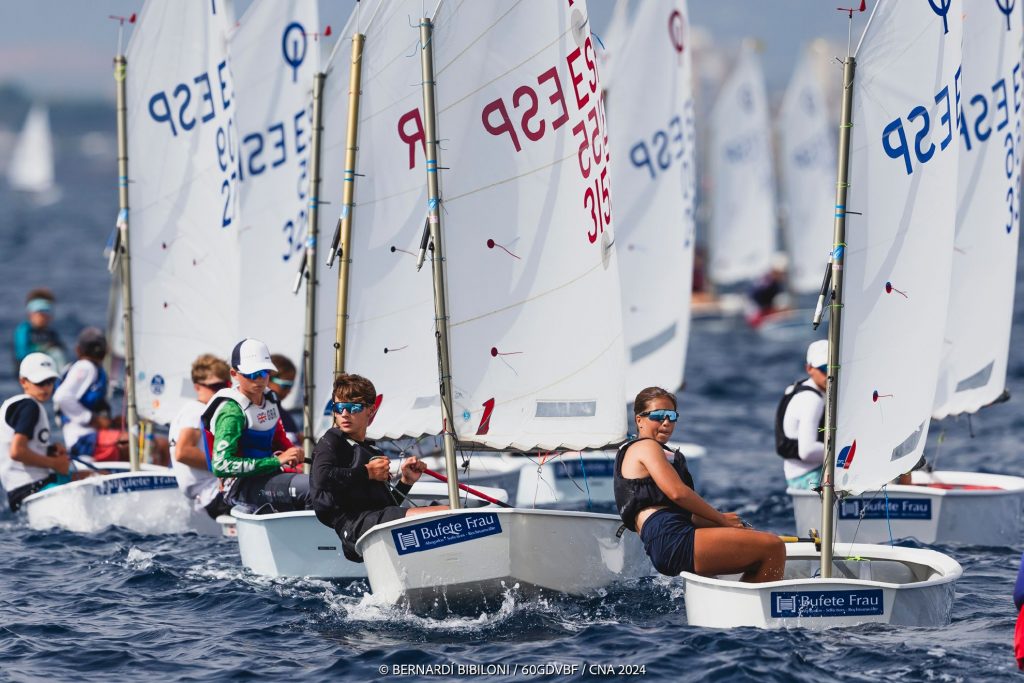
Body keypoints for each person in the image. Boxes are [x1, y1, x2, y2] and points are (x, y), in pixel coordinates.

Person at [615, 386, 785, 582]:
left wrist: (722, 524)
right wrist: (721, 519)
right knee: (773, 547)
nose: (666, 422)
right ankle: (758, 611)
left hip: (666, 539)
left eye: (671, 415)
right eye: (658, 415)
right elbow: (678, 493)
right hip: (670, 536)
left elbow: (675, 510)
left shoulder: (646, 452)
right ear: (639, 420)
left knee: (753, 549)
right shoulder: (646, 446)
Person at [310, 373, 447, 562]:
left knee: (447, 511)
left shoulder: (370, 449)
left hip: (375, 522)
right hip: (355, 527)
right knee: (445, 513)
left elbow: (386, 506)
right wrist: (367, 472)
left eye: (353, 408)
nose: (344, 414)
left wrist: (406, 482)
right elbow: (321, 478)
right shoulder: (330, 442)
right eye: (339, 407)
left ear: (370, 411)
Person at [203, 338, 308, 512]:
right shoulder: (232, 412)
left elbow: (279, 441)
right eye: (251, 374)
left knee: (324, 485)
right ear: (234, 374)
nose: (259, 380)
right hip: (240, 485)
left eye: (264, 373)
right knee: (311, 489)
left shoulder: (270, 399)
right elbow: (221, 465)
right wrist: (275, 461)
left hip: (269, 477)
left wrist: (294, 453)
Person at [0, 353, 71, 511]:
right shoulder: (29, 407)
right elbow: (17, 452)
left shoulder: (19, 405)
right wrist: (55, 463)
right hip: (32, 489)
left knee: (82, 473)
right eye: (40, 382)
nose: (46, 388)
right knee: (94, 475)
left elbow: (20, 445)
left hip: (19, 492)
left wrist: (49, 450)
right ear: (23, 382)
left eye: (50, 381)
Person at [169, 354, 232, 519]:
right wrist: (229, 466)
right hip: (214, 496)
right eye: (216, 387)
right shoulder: (197, 411)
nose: (222, 392)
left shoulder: (189, 411)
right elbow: (183, 452)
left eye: (226, 386)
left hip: (208, 498)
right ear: (197, 387)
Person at [53, 327, 123, 461]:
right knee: (145, 444)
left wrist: (110, 422)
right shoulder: (85, 367)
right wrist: (93, 419)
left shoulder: (91, 368)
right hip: (83, 441)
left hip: (92, 438)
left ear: (78, 349)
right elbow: (61, 397)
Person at [775, 339, 827, 491]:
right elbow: (807, 451)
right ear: (809, 368)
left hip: (795, 477)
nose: (830, 374)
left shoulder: (797, 388)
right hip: (810, 477)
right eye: (824, 368)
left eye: (834, 368)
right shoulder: (812, 400)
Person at [12, 287, 67, 371]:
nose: (44, 317)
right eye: (40, 313)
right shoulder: (24, 330)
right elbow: (21, 354)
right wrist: (43, 349)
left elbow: (62, 349)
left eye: (47, 312)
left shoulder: (51, 333)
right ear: (30, 314)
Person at [269, 353, 301, 445]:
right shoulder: (256, 411)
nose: (289, 391)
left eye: (291, 386)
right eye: (285, 386)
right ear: (267, 380)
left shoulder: (284, 414)